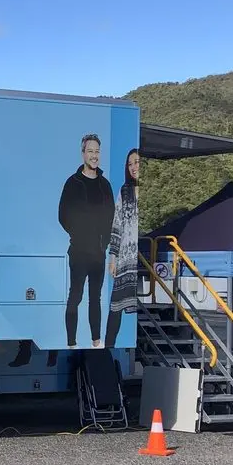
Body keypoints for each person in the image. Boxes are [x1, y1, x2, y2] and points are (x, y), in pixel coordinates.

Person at [58, 133, 115, 348]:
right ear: (83, 154)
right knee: (75, 296)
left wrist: (105, 242)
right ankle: (71, 342)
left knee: (96, 299)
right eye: (90, 151)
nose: (94, 155)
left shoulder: (104, 185)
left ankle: (95, 341)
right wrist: (78, 234)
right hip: (79, 251)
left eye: (97, 152)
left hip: (98, 252)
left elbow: (111, 216)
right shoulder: (73, 183)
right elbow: (62, 214)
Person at [104, 148, 140, 349]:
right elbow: (116, 224)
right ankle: (107, 347)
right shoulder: (125, 191)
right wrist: (113, 257)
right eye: (131, 164)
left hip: (141, 261)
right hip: (126, 258)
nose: (134, 167)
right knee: (115, 307)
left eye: (137, 162)